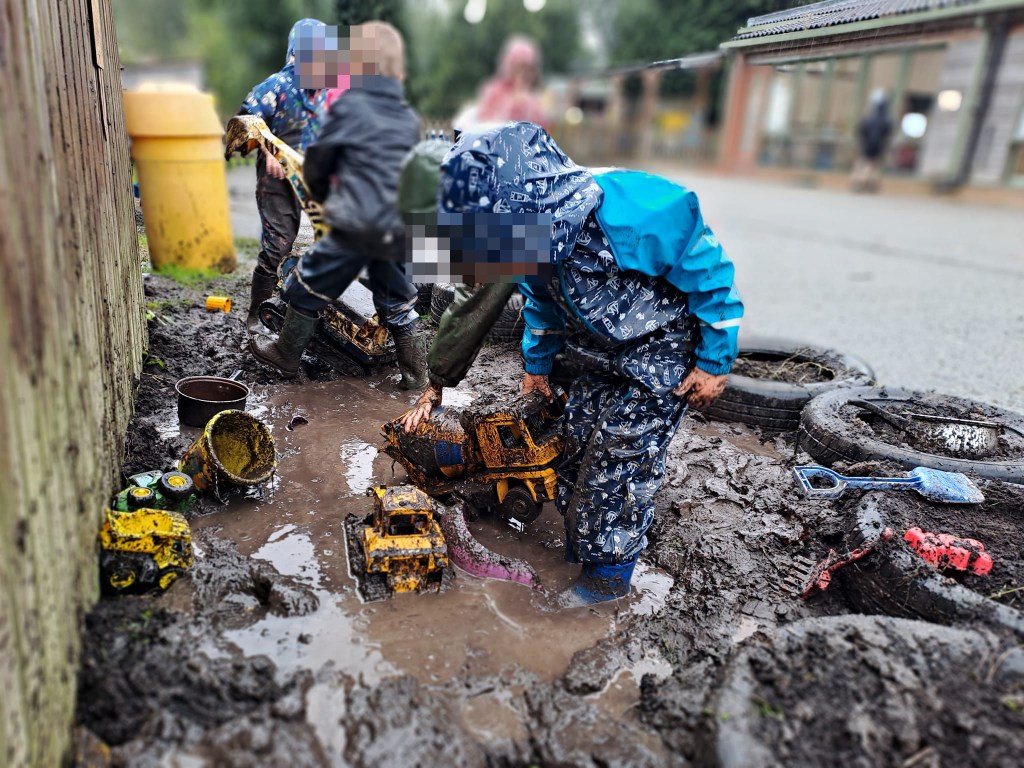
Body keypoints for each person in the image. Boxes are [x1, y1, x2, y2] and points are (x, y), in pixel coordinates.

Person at [399, 123, 743, 605]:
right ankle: (578, 532)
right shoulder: (529, 245)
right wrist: (536, 367)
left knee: (618, 460)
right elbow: (541, 304)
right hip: (598, 351)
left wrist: (714, 361)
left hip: (664, 352)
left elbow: (711, 275)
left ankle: (609, 576)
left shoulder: (634, 209)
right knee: (574, 440)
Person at [250, 22, 426, 388]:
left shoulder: (348, 110)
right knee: (398, 304)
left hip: (354, 225)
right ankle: (415, 378)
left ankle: (286, 355)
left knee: (305, 286)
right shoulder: (408, 119)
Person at [239, 18, 332, 335]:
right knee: (280, 243)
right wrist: (269, 150)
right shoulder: (275, 87)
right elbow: (243, 124)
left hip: (314, 175)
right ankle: (256, 318)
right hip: (277, 178)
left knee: (333, 238)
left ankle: (305, 311)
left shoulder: (327, 92)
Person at [456, 36, 547, 130]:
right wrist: (516, 103)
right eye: (521, 67)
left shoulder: (536, 98)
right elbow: (485, 125)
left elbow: (542, 131)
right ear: (511, 66)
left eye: (531, 69)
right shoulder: (494, 91)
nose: (526, 74)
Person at [852, 90, 893, 192]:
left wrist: (863, 140)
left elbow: (861, 129)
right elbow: (887, 132)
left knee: (863, 161)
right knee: (871, 163)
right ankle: (863, 181)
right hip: (877, 143)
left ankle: (860, 179)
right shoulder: (885, 118)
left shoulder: (869, 117)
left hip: (867, 142)